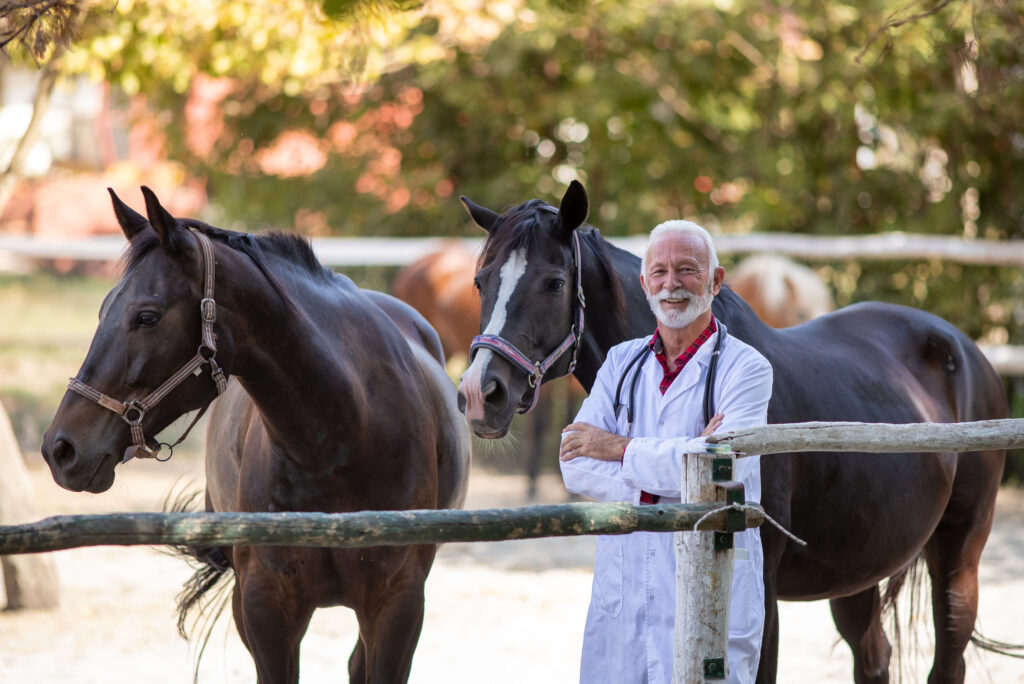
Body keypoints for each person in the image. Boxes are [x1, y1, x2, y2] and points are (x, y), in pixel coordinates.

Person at [558, 219, 773, 684]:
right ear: (644, 283)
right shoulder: (620, 363)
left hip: (710, 592)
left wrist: (616, 448)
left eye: (687, 270)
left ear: (715, 281)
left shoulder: (746, 369)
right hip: (624, 598)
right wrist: (683, 466)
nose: (671, 284)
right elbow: (574, 463)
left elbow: (720, 469)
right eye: (659, 271)